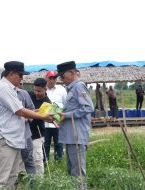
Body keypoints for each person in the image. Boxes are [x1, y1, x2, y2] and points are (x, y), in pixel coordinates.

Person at [0, 61, 53, 190]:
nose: (22, 79)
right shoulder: (4, 88)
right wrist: (42, 116)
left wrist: (39, 112)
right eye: (20, 75)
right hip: (4, 139)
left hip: (12, 140)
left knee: (12, 177)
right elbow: (20, 111)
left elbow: (20, 110)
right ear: (11, 74)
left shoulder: (11, 89)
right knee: (1, 180)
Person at [57, 61, 94, 190]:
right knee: (72, 170)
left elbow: (88, 107)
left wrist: (65, 115)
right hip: (71, 135)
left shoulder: (79, 86)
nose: (62, 80)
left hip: (77, 135)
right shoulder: (71, 88)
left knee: (77, 172)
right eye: (60, 77)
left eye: (63, 76)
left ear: (72, 73)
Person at [29, 78, 51, 176]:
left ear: (45, 89)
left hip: (37, 133)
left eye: (39, 91)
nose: (36, 93)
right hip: (25, 132)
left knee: (37, 158)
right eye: (35, 90)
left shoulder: (47, 103)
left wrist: (36, 113)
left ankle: (39, 180)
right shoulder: (29, 95)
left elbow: (46, 118)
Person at [44, 70, 67, 161]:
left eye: (54, 78)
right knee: (46, 144)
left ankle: (59, 161)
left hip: (58, 122)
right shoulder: (43, 89)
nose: (52, 80)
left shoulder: (61, 89)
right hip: (45, 122)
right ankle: (45, 163)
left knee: (59, 143)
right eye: (50, 78)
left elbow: (65, 104)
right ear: (46, 78)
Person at [17, 83, 36, 175]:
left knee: (29, 159)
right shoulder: (2, 94)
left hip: (25, 133)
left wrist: (27, 118)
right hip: (8, 135)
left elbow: (32, 109)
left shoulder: (23, 93)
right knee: (12, 162)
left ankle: (33, 184)